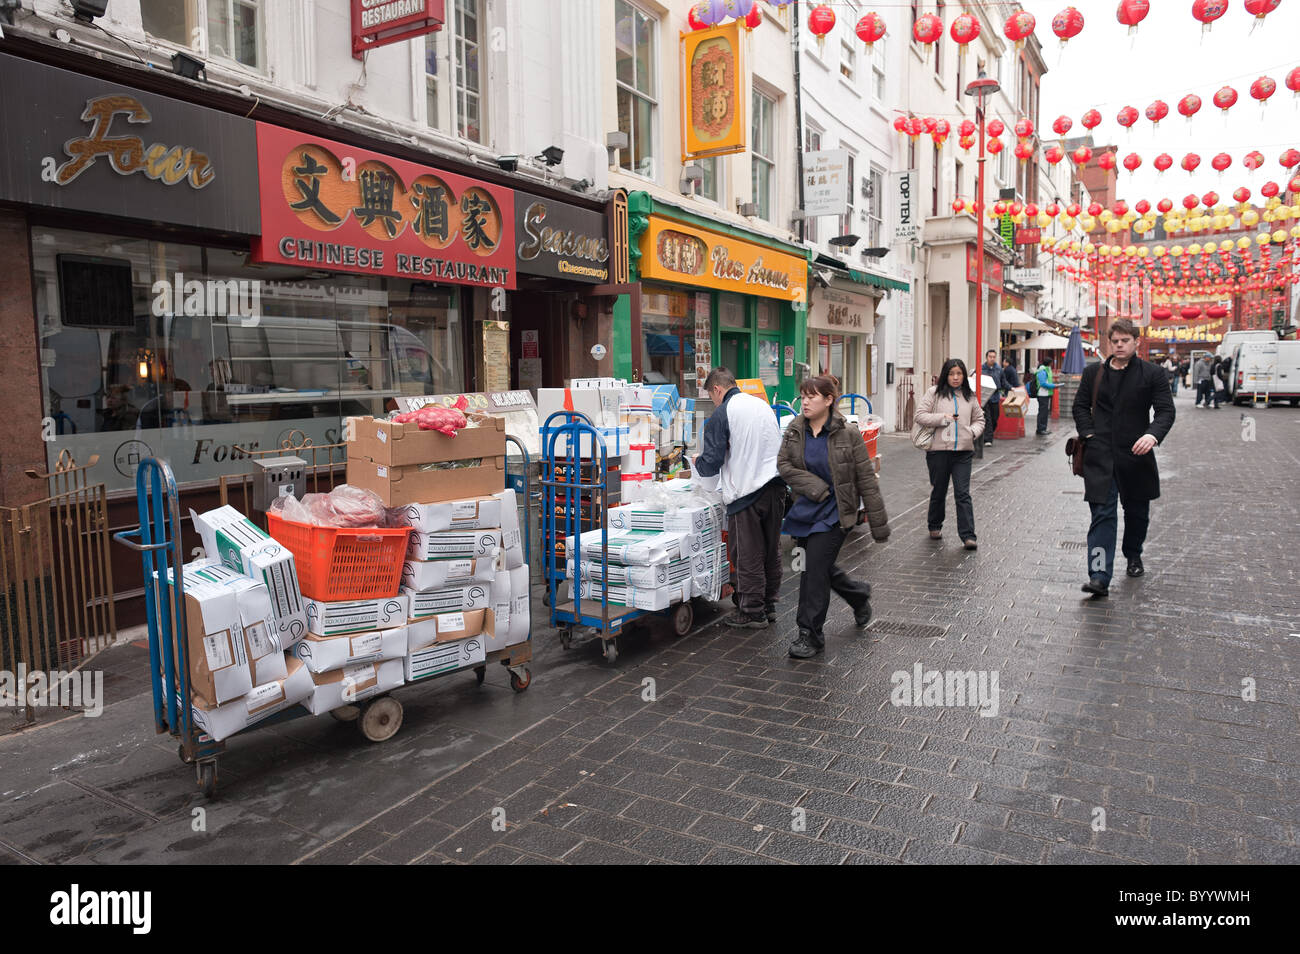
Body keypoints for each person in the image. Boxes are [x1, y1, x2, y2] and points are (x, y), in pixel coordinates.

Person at [777, 375, 889, 659]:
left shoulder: (847, 433)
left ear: (829, 400)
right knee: (816, 567)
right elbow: (784, 465)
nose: (804, 401)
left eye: (811, 396)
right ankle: (858, 594)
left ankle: (810, 635)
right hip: (805, 510)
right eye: (802, 396)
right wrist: (813, 486)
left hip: (835, 512)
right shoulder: (795, 429)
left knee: (813, 571)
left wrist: (878, 523)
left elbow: (865, 477)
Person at [1073, 318, 1176, 598]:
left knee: (1137, 514)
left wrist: (1152, 435)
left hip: (1136, 456)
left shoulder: (1152, 374)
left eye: (1125, 341)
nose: (1119, 346)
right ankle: (1098, 576)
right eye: (1115, 341)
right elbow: (1081, 406)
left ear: (1136, 342)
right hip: (1100, 458)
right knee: (1101, 517)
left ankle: (1133, 554)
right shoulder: (1093, 373)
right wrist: (1089, 435)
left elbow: (1166, 411)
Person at [694, 367, 785, 628]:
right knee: (770, 548)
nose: (713, 402)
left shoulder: (722, 414)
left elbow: (711, 463)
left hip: (747, 494)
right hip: (776, 487)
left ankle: (751, 611)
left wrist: (697, 466)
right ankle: (768, 603)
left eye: (711, 396)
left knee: (747, 553)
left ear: (717, 390)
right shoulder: (761, 405)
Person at [914, 358, 985, 550]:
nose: (955, 378)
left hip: (963, 452)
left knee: (963, 494)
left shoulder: (970, 396)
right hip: (938, 452)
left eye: (959, 374)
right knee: (939, 490)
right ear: (946, 375)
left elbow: (980, 419)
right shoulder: (934, 393)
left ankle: (968, 536)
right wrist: (941, 418)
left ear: (964, 376)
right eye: (952, 374)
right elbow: (919, 415)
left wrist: (972, 432)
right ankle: (934, 525)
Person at [980, 349, 1003, 447]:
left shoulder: (999, 369)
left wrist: (1011, 387)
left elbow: (1003, 381)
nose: (992, 359)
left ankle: (989, 433)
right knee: (987, 418)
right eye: (990, 357)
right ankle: (987, 439)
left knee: (995, 418)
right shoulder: (981, 368)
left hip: (995, 396)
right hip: (985, 397)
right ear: (986, 357)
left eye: (994, 357)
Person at [1033, 355, 1059, 435]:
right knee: (1042, 412)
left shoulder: (1046, 370)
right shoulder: (1042, 371)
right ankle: (1041, 429)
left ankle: (1043, 428)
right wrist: (1054, 386)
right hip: (1042, 393)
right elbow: (1043, 383)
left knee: (1045, 412)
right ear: (1049, 363)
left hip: (1046, 393)